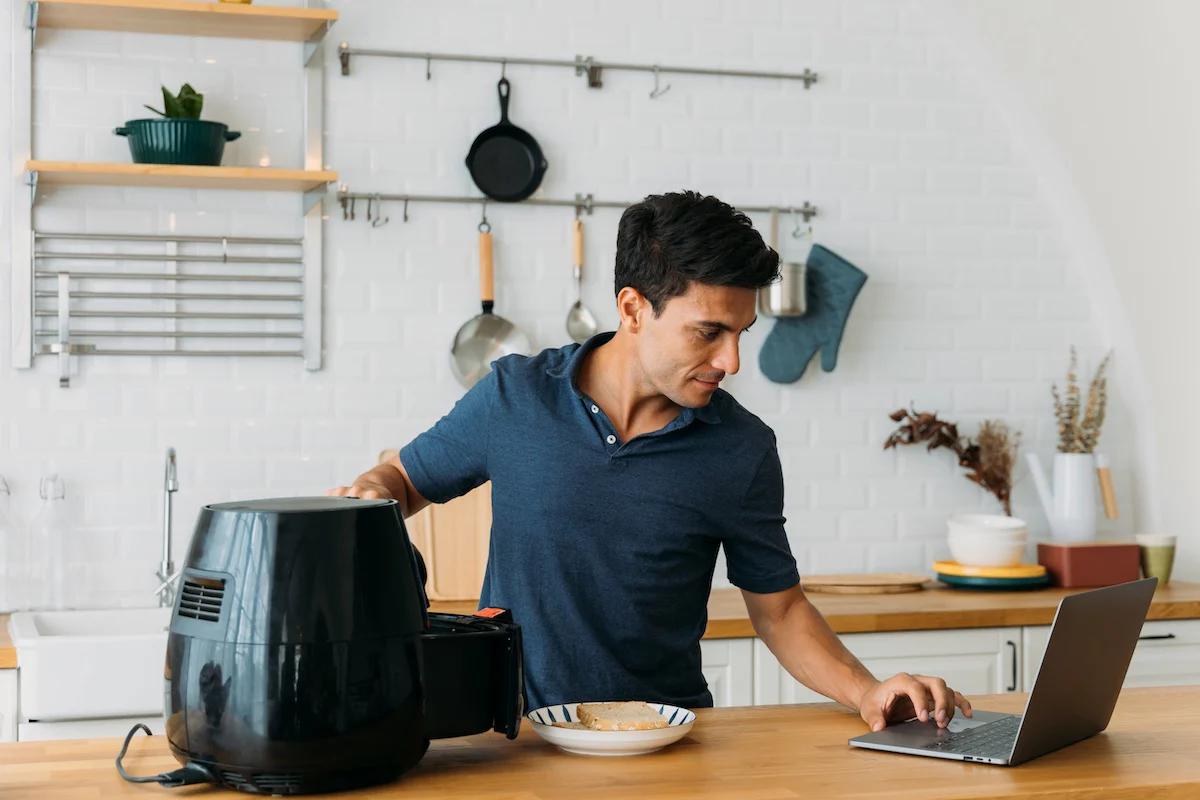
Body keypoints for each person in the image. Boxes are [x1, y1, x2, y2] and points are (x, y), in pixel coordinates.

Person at [329, 190, 972, 731]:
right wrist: (369, 494)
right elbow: (405, 480)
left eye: (741, 333)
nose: (732, 363)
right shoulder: (513, 397)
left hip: (663, 740)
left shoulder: (741, 449)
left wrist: (866, 692)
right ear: (634, 308)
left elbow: (779, 610)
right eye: (709, 332)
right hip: (517, 736)